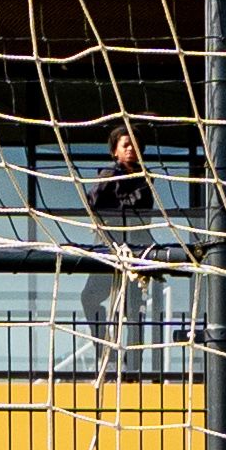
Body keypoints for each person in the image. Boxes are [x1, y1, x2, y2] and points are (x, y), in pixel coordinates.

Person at [79, 122, 164, 374]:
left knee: (133, 309)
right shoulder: (109, 175)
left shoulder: (144, 179)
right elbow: (93, 201)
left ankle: (134, 367)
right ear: (114, 151)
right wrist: (112, 174)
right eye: (126, 145)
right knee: (90, 297)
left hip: (136, 250)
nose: (131, 150)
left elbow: (139, 206)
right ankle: (106, 352)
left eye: (135, 146)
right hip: (109, 248)